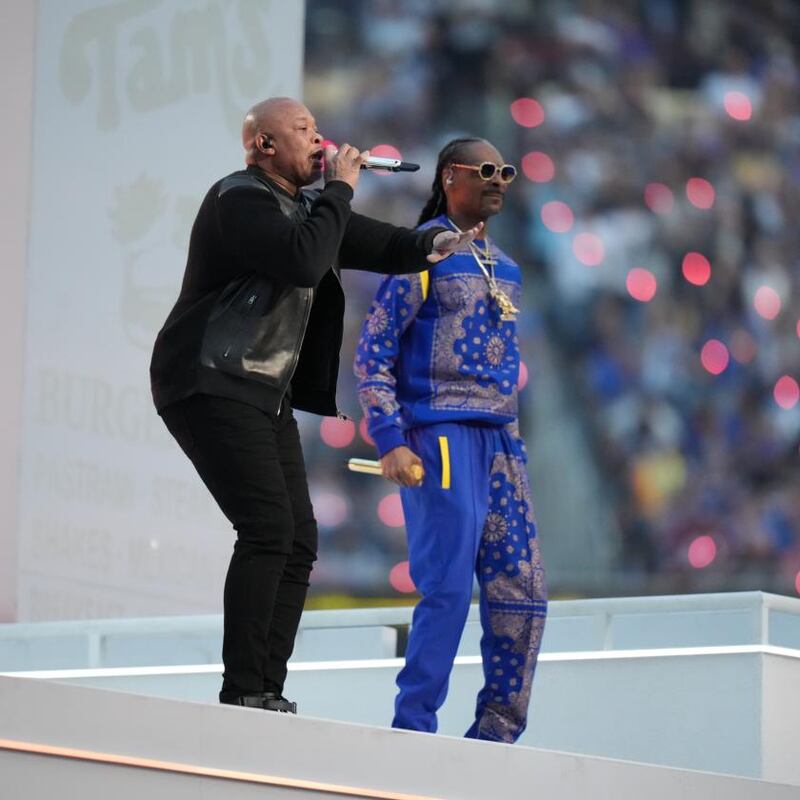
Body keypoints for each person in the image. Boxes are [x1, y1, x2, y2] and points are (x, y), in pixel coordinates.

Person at [149, 97, 480, 711]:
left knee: (299, 539)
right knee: (267, 528)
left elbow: (379, 244)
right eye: (302, 130)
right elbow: (305, 258)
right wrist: (342, 187)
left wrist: (435, 243)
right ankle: (243, 690)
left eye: (316, 128)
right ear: (264, 146)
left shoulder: (307, 210)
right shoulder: (239, 197)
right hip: (209, 377)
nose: (318, 138)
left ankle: (266, 688)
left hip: (259, 388)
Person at [354, 137, 547, 742]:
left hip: (502, 443)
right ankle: (413, 731)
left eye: (505, 171)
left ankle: (495, 737)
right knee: (447, 589)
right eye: (484, 169)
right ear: (448, 178)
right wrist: (389, 437)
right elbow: (373, 352)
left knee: (524, 591)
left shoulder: (507, 267)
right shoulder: (423, 254)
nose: (498, 180)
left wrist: (514, 443)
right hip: (439, 437)